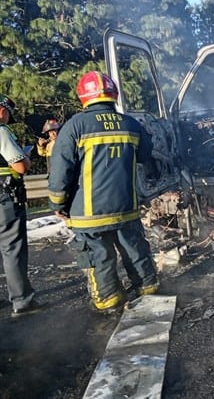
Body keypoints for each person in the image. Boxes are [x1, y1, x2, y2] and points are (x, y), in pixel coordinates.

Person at [48, 71, 159, 312]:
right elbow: (146, 155)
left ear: (83, 97)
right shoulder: (131, 124)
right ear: (113, 95)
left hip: (89, 214)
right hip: (126, 208)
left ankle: (109, 300)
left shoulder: (74, 126)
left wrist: (58, 204)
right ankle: (148, 287)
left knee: (99, 256)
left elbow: (60, 171)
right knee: (134, 249)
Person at [0, 94, 46, 317]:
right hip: (4, 198)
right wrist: (26, 156)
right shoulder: (1, 131)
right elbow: (19, 167)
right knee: (12, 248)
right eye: (8, 112)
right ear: (2, 111)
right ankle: (22, 301)